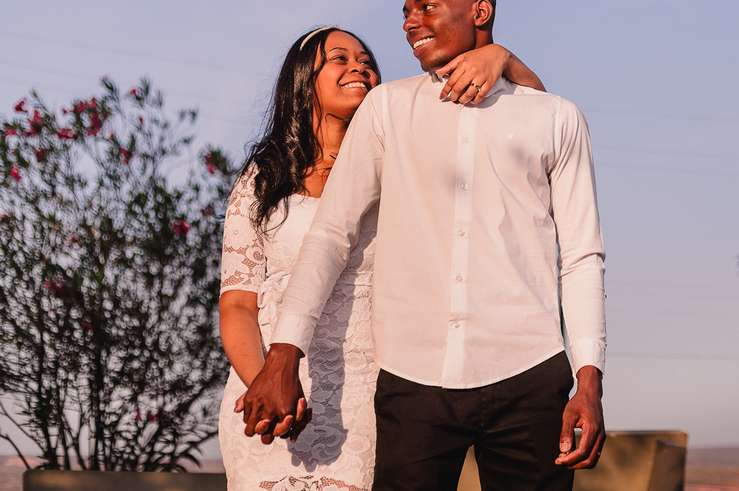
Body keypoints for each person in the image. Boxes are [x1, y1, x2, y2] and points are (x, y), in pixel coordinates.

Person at [241, 0, 607, 491]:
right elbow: (331, 234)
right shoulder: (386, 108)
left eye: (426, 6)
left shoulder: (554, 117)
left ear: (479, 11)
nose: (410, 22)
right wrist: (283, 353)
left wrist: (589, 378)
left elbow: (581, 255)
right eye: (406, 12)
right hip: (411, 380)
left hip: (531, 373)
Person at [218, 25, 545, 491]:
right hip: (273, 381)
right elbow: (237, 303)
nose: (360, 66)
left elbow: (535, 121)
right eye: (339, 58)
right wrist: (265, 385)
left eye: (366, 59)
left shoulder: (407, 161)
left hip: (373, 391)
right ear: (301, 80)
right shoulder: (262, 177)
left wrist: (502, 59)